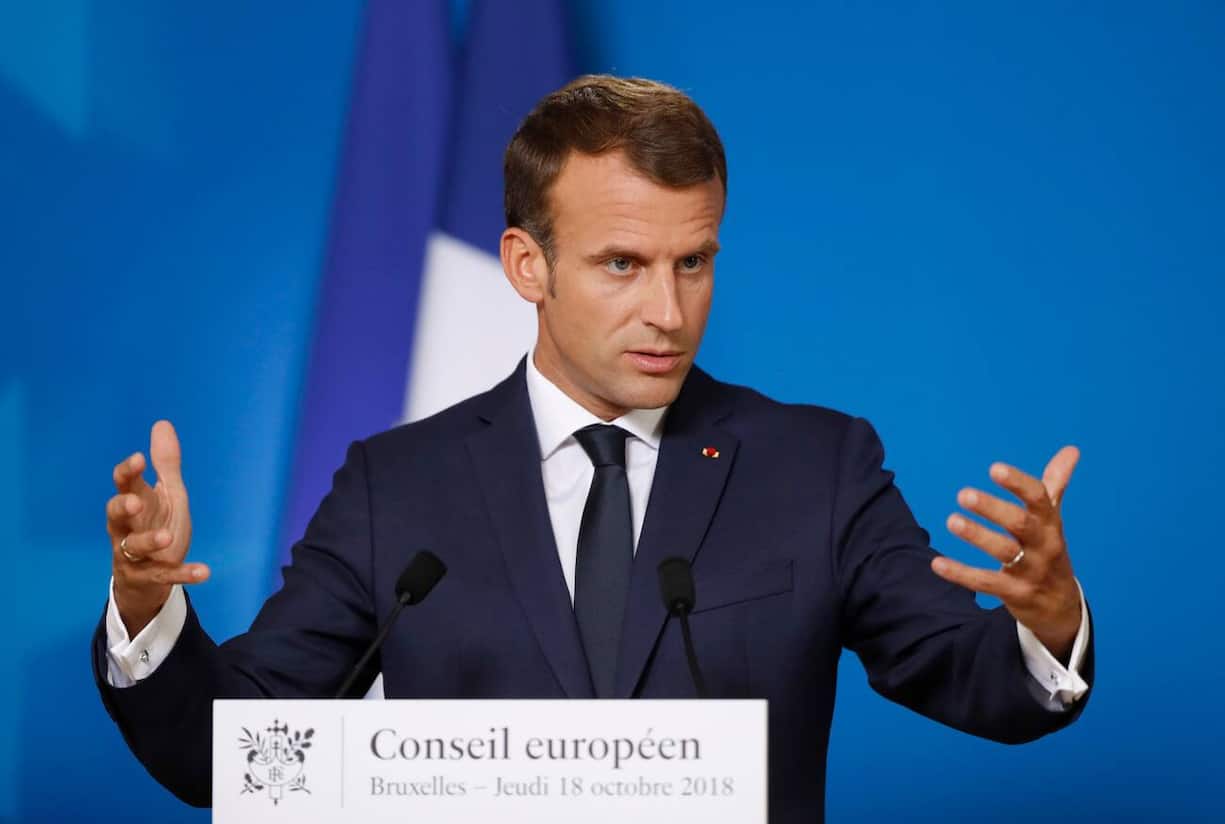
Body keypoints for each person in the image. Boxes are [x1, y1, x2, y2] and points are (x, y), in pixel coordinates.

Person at [94, 75, 1092, 822]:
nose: (668, 311)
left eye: (691, 262)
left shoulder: (816, 467)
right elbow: (231, 751)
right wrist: (147, 609)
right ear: (527, 264)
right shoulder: (394, 488)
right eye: (622, 263)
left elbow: (976, 678)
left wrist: (1044, 626)